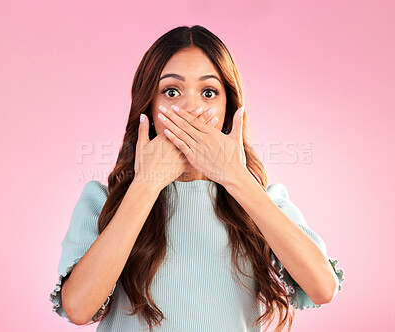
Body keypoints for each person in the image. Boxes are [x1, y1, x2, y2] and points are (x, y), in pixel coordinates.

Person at [49, 25, 344, 332]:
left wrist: (236, 179)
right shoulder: (102, 200)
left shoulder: (263, 201)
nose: (191, 109)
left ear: (228, 108)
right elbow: (79, 308)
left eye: (208, 93)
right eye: (171, 92)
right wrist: (146, 184)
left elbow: (322, 288)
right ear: (148, 107)